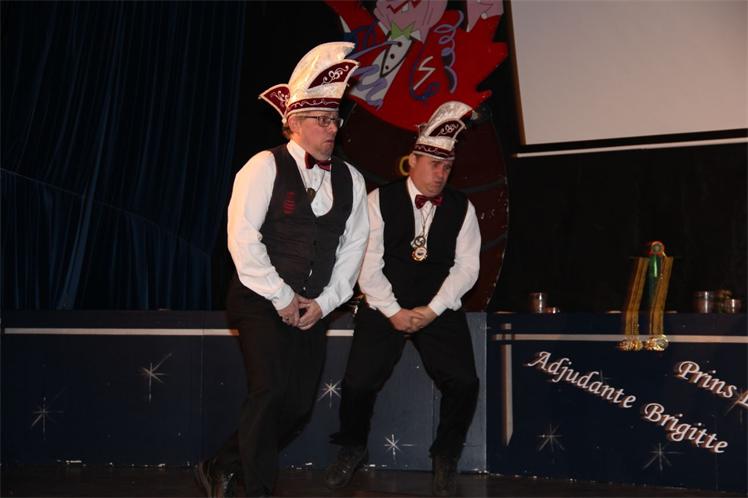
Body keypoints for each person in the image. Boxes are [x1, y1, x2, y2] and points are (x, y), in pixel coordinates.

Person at [194, 42, 368, 497]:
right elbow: (242, 239)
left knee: (296, 407)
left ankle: (221, 464)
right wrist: (282, 296)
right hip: (259, 298)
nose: (332, 128)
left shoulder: (352, 179)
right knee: (269, 390)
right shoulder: (263, 166)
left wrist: (325, 303)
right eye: (323, 120)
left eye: (335, 120)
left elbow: (353, 249)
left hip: (313, 306)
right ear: (294, 123)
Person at [325, 101, 481, 497]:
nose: (441, 174)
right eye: (435, 165)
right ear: (412, 162)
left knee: (464, 383)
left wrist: (432, 310)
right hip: (384, 303)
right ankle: (352, 447)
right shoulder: (378, 201)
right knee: (359, 382)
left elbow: (467, 268)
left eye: (447, 167)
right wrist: (393, 311)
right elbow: (366, 262)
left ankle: (446, 455)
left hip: (437, 305)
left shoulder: (462, 207)